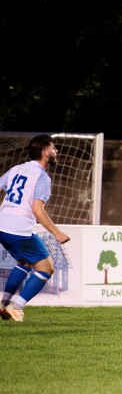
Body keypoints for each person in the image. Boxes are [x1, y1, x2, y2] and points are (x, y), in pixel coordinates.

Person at [0, 135, 71, 322]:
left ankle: (2, 305)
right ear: (44, 152)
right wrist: (57, 233)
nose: (56, 151)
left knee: (24, 262)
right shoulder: (42, 177)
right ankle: (16, 309)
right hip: (19, 228)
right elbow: (38, 210)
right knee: (46, 268)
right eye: (53, 148)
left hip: (3, 224)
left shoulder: (17, 169)